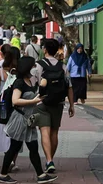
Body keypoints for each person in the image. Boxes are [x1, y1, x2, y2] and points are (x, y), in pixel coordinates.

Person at [0, 56, 58, 184]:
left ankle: (40, 175)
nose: (34, 68)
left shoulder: (29, 81)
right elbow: (15, 101)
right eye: (33, 66)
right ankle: (3, 174)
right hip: (19, 119)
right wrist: (34, 101)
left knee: (32, 146)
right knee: (15, 147)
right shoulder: (19, 82)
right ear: (27, 67)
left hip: (28, 119)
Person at [32, 38, 75, 174]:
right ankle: (50, 161)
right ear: (57, 50)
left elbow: (33, 84)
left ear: (44, 49)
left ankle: (49, 160)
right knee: (54, 132)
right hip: (58, 102)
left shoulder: (38, 65)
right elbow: (69, 86)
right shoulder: (62, 66)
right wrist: (71, 105)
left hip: (41, 102)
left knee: (45, 130)